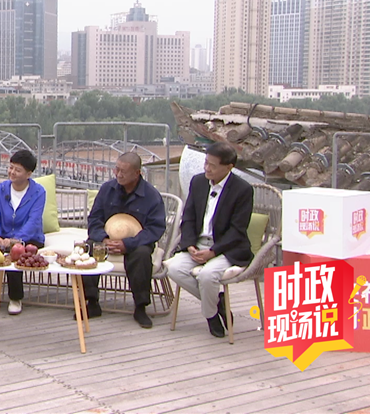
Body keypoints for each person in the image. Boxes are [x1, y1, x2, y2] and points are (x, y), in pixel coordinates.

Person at [165, 141, 254, 338]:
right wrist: (189, 245)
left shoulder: (242, 190)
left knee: (207, 276)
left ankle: (210, 316)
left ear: (229, 167)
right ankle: (217, 305)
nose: (207, 168)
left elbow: (237, 230)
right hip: (198, 244)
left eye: (212, 165)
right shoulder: (198, 182)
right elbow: (188, 218)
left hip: (226, 248)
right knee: (173, 268)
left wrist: (213, 252)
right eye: (206, 162)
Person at [83, 152, 167, 328]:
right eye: (117, 169)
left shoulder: (151, 195)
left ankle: (140, 307)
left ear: (137, 173)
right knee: (88, 248)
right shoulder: (107, 189)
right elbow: (94, 219)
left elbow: (155, 229)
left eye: (123, 171)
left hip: (137, 242)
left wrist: (127, 244)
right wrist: (103, 239)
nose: (118, 174)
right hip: (107, 240)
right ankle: (91, 302)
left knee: (142, 255)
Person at [0, 149, 46, 316]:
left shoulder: (39, 192)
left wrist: (15, 239)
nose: (12, 172)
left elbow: (33, 221)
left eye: (17, 170)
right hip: (3, 235)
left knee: (15, 251)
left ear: (28, 174)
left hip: (30, 238)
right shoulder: (1, 189)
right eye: (10, 167)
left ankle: (15, 298)